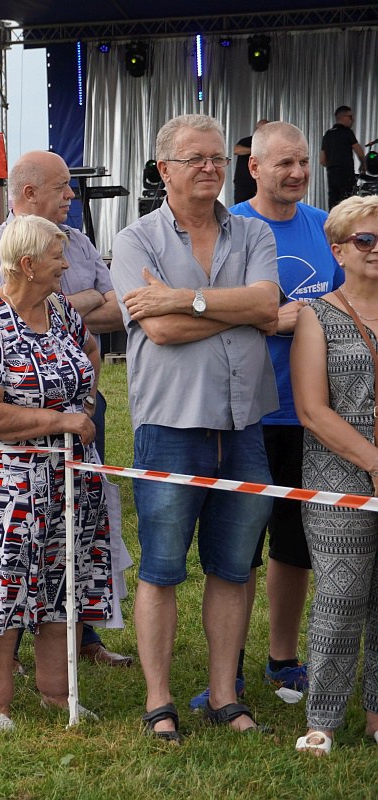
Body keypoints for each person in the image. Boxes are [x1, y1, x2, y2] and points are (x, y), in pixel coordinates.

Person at [111, 114, 279, 739]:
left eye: (217, 157)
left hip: (244, 427)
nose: (211, 167)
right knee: (161, 569)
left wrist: (184, 297)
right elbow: (158, 331)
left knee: (235, 568)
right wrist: (237, 312)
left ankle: (223, 695)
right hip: (170, 427)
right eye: (195, 159)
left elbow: (268, 303)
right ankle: (160, 703)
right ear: (165, 170)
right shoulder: (135, 240)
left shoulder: (255, 232)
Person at [0, 214, 112, 730]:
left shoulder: (62, 310)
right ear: (27, 264)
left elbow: (91, 351)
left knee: (62, 588)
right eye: (57, 257)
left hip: (68, 477)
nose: (66, 265)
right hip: (6, 485)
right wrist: (59, 420)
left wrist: (83, 402)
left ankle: (56, 695)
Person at [0, 150, 132, 670]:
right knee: (13, 556)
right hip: (13, 466)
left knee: (74, 539)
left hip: (77, 423)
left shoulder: (78, 241)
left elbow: (116, 312)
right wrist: (59, 418)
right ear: (28, 194)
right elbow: (0, 314)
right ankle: (9, 655)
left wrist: (83, 403)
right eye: (62, 187)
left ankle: (81, 640)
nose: (71, 196)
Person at [223, 121, 343, 709]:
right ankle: (231, 671)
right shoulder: (234, 230)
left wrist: (294, 314)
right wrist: (286, 315)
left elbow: (351, 303)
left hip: (311, 414)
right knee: (237, 551)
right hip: (249, 414)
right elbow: (239, 312)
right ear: (255, 168)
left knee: (295, 547)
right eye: (283, 164)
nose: (295, 173)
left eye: (302, 163)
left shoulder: (327, 227)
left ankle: (283, 659)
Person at [290, 194, 378, 755]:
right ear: (339, 248)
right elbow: (312, 410)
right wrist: (374, 462)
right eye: (365, 241)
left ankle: (376, 715)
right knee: (340, 598)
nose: (376, 251)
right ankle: (322, 720)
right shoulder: (316, 314)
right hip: (337, 475)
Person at [321, 105, 366, 209]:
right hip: (346, 174)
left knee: (333, 204)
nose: (353, 120)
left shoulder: (327, 135)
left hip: (332, 174)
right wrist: (363, 164)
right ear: (343, 117)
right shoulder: (347, 132)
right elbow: (359, 152)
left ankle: (332, 224)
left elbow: (322, 160)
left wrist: (334, 163)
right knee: (347, 204)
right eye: (351, 117)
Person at [232, 119, 268, 205]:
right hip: (244, 185)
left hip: (261, 184)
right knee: (241, 211)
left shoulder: (271, 144)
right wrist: (256, 150)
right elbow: (236, 150)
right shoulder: (247, 141)